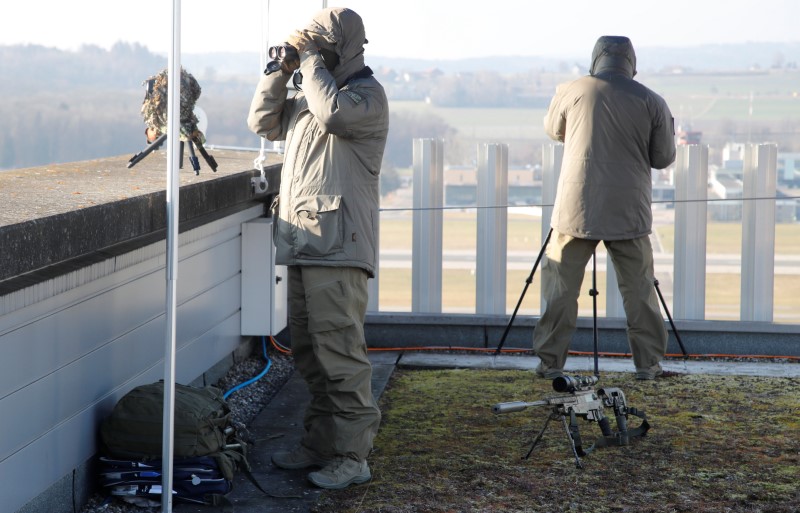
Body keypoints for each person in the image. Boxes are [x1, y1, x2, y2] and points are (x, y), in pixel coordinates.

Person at [247, 7, 389, 489]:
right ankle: (320, 443)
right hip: (305, 242)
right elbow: (262, 122)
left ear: (341, 48)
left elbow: (331, 112)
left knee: (341, 355)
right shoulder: (310, 94)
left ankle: (353, 455)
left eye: (320, 48)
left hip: (341, 246)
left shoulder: (366, 97)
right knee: (309, 352)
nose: (313, 57)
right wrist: (278, 70)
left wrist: (308, 61)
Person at [534, 35, 676, 381]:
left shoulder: (570, 90)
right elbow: (663, 157)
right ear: (632, 63)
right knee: (639, 289)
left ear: (596, 59)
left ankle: (550, 361)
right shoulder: (651, 101)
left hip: (575, 208)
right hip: (629, 210)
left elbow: (554, 130)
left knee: (561, 288)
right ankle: (648, 364)